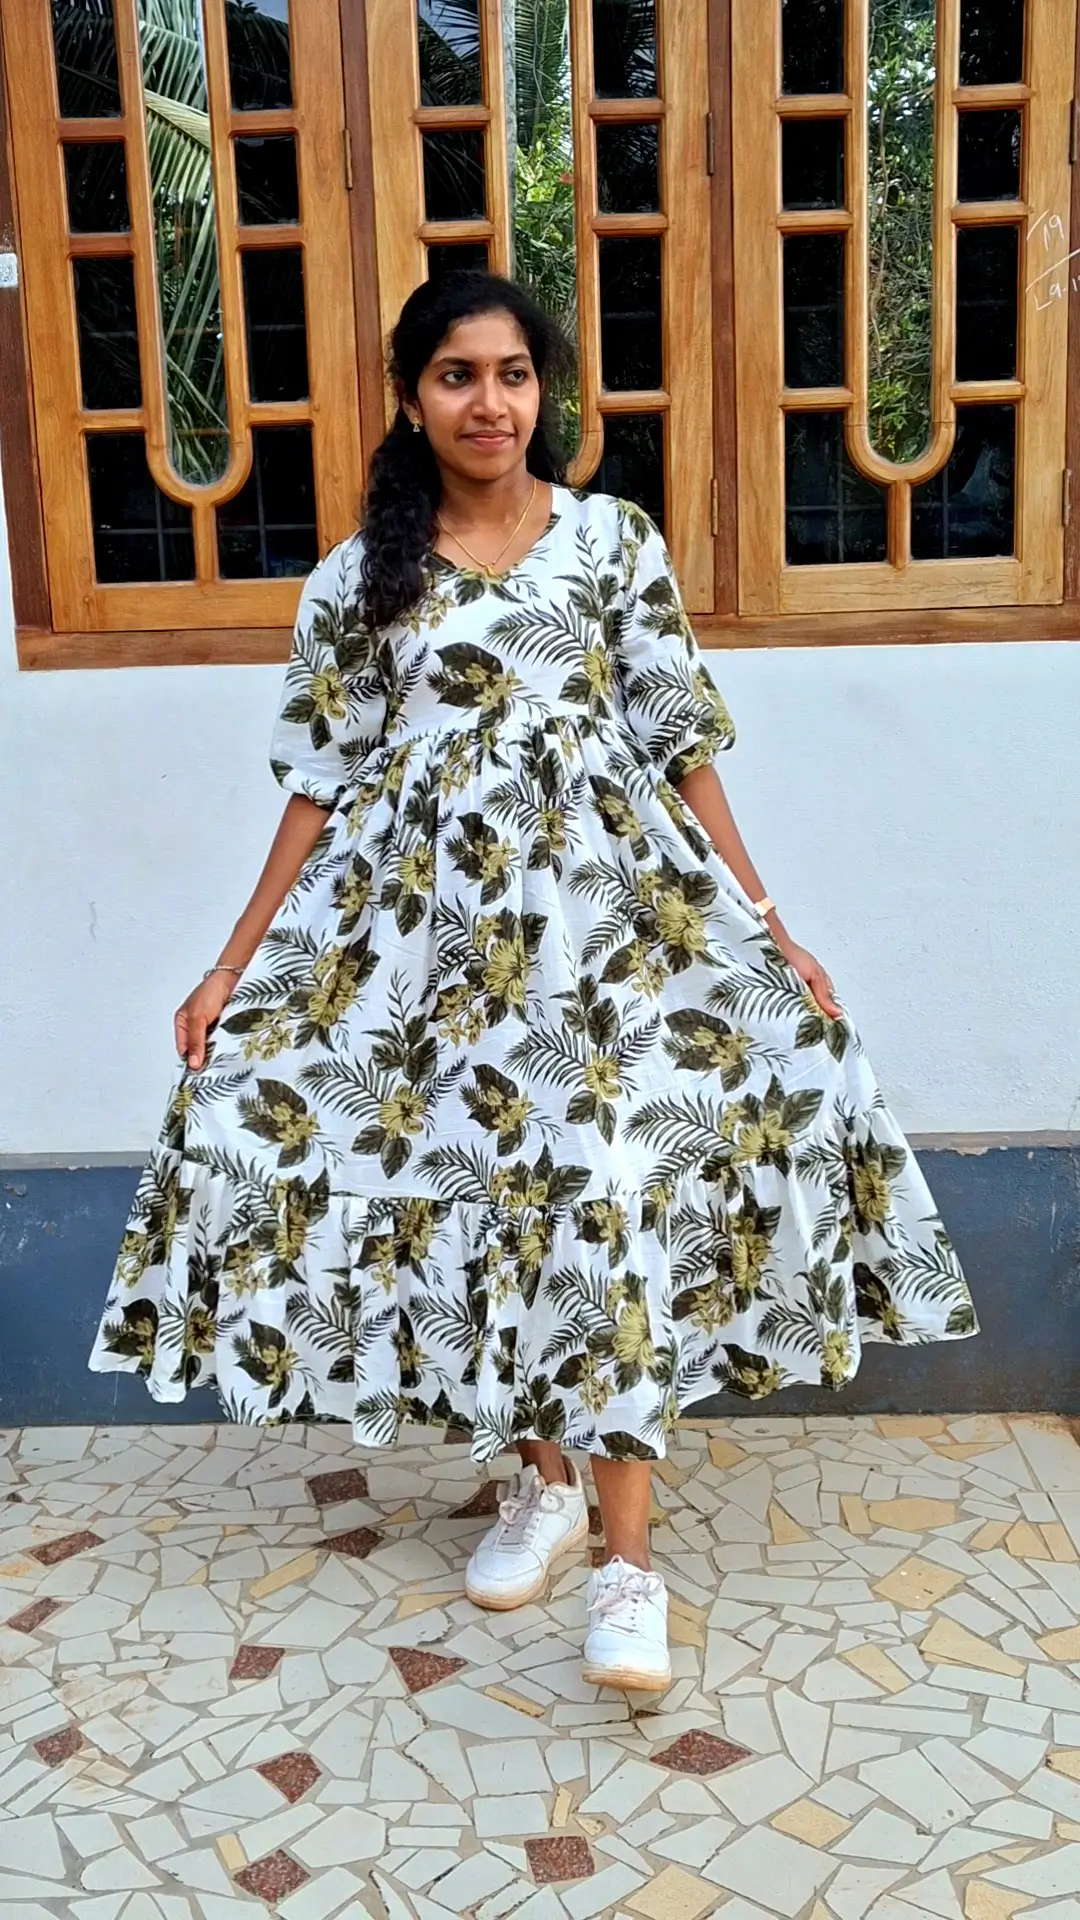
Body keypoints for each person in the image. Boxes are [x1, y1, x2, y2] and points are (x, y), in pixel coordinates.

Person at [90, 272, 976, 1693]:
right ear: (411, 395)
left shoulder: (612, 542)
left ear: (542, 391)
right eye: (457, 375)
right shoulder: (356, 578)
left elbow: (680, 741)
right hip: (426, 940)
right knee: (478, 1181)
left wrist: (770, 924)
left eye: (512, 373)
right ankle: (543, 1482)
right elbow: (318, 781)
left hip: (607, 931)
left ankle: (629, 1565)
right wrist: (233, 962)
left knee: (603, 1188)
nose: (489, 402)